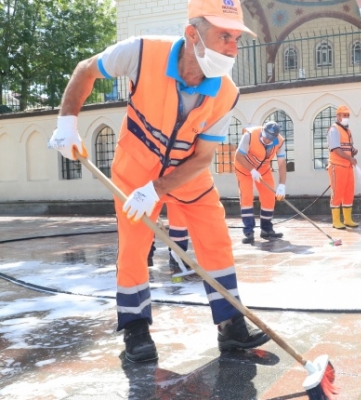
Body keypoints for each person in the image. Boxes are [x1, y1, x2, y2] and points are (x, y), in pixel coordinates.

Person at [47, 0, 270, 363]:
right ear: (192, 34)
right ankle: (135, 328)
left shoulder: (226, 93)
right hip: (135, 167)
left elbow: (202, 157)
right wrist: (67, 124)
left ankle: (231, 325)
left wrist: (158, 189)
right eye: (224, 36)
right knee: (134, 247)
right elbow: (85, 70)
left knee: (215, 239)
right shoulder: (141, 52)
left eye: (236, 38)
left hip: (186, 173)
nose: (233, 47)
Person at [234, 121, 287, 244]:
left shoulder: (279, 142)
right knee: (247, 197)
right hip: (243, 168)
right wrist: (252, 171)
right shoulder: (250, 135)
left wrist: (282, 185)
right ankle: (249, 232)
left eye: (271, 139)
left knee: (269, 197)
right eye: (266, 137)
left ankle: (266, 229)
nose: (268, 140)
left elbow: (282, 163)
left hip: (263, 169)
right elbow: (238, 156)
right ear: (262, 131)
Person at [327, 105, 359, 229]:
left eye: (348, 116)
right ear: (338, 116)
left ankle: (347, 219)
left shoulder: (347, 131)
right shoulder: (334, 129)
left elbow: (347, 147)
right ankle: (336, 221)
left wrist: (353, 151)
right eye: (344, 115)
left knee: (348, 192)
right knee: (337, 193)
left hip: (347, 166)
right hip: (337, 166)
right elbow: (335, 149)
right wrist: (350, 158)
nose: (346, 118)